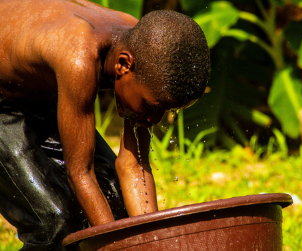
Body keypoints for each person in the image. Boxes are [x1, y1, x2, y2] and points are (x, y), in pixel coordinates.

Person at [0, 0, 210, 250]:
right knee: (53, 222)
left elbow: (134, 165)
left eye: (165, 111)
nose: (155, 120)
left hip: (37, 92)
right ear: (123, 65)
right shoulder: (79, 56)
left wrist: (151, 244)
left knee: (114, 199)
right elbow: (80, 173)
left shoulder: (144, 48)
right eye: (153, 107)